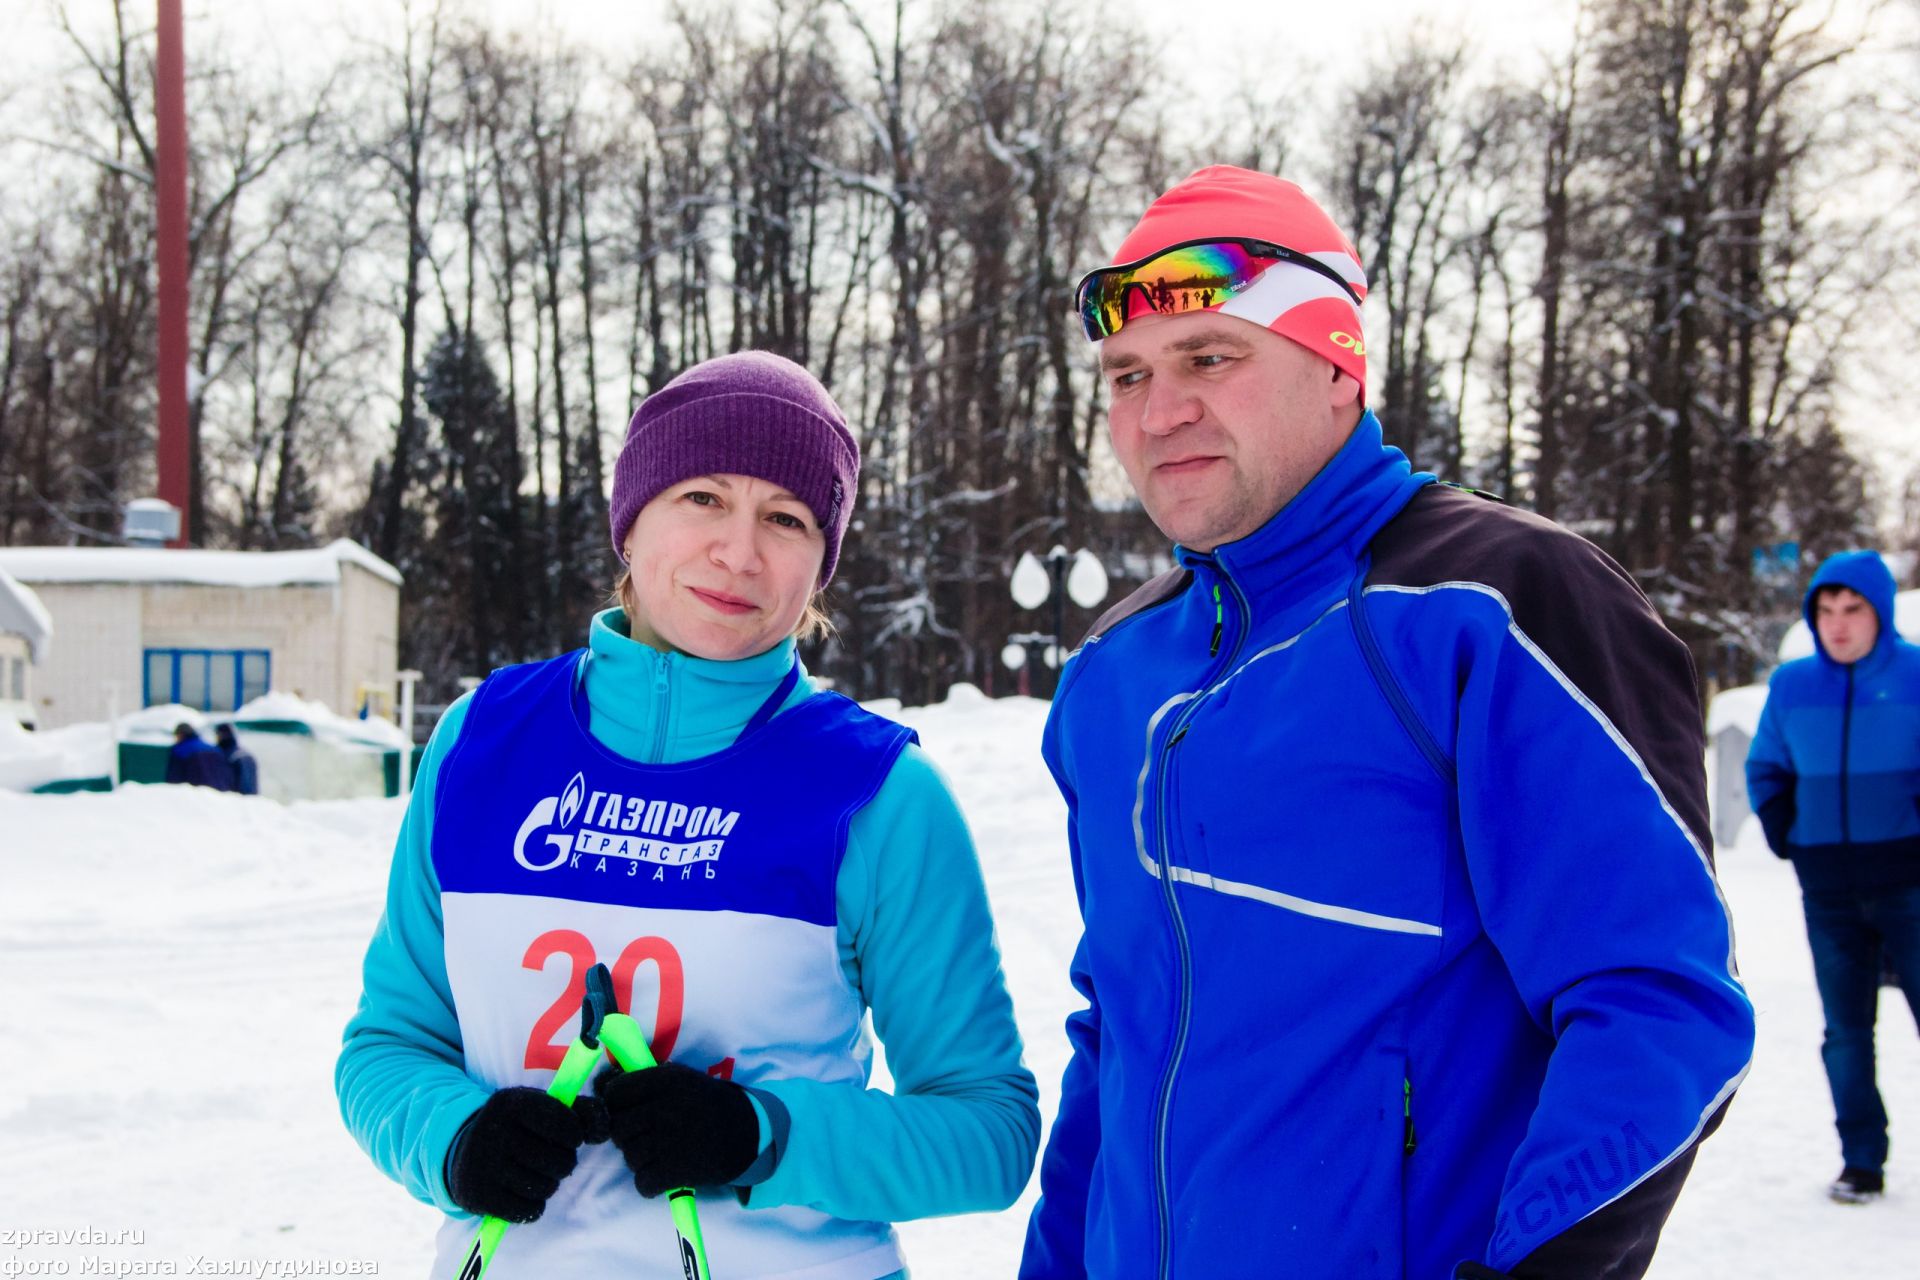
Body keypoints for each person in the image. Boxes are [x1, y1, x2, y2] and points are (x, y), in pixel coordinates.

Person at [1020, 166, 1756, 1280]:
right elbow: (1116, 1040)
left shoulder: (1493, 607)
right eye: (1126, 374)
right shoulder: (1115, 675)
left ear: (1336, 366)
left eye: (1210, 356)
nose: (1157, 410)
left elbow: (1660, 1004)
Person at [337, 351, 1039, 1279]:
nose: (739, 553)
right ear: (633, 519)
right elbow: (386, 1046)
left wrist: (763, 1134)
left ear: (819, 565)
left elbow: (987, 1132)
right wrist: (453, 1138)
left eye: (785, 519)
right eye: (702, 497)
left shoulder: (878, 794)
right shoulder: (482, 744)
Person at [1746, 549, 1920, 1205]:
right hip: (1828, 891)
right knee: (1846, 1033)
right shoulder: (1792, 685)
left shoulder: (1915, 675)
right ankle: (1862, 1160)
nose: (1839, 624)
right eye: (1826, 610)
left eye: (1853, 610)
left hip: (1910, 884)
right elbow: (1766, 767)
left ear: (1880, 613)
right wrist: (1786, 829)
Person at [165, 722, 233, 790]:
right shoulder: (215, 749)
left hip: (195, 793)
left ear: (181, 735)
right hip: (218, 793)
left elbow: (174, 778)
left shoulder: (180, 750)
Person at [214, 723, 258, 795]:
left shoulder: (226, 755)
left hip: (234, 798)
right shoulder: (245, 754)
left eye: (218, 734)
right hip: (251, 799)